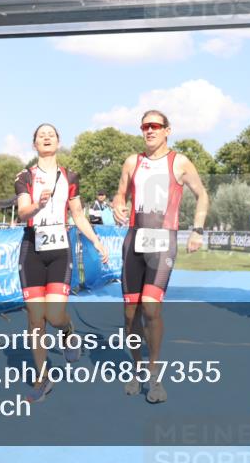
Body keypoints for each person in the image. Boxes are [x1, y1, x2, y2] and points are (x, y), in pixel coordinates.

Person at [112, 110, 208, 403]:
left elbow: (202, 195)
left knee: (151, 309)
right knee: (130, 315)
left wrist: (197, 230)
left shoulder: (180, 162)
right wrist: (118, 205)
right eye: (145, 126)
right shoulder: (132, 162)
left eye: (155, 126)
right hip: (134, 242)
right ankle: (137, 368)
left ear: (167, 130)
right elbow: (120, 194)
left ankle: (154, 376)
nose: (149, 130)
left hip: (163, 242)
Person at [14, 123, 109, 402]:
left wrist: (96, 241)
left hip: (59, 250)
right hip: (32, 248)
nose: (46, 137)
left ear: (58, 142)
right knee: (35, 319)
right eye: (41, 135)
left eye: (51, 135)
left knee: (54, 316)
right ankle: (42, 377)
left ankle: (68, 330)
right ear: (34, 144)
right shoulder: (24, 176)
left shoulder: (70, 176)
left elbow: (78, 215)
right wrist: (38, 206)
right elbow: (22, 212)